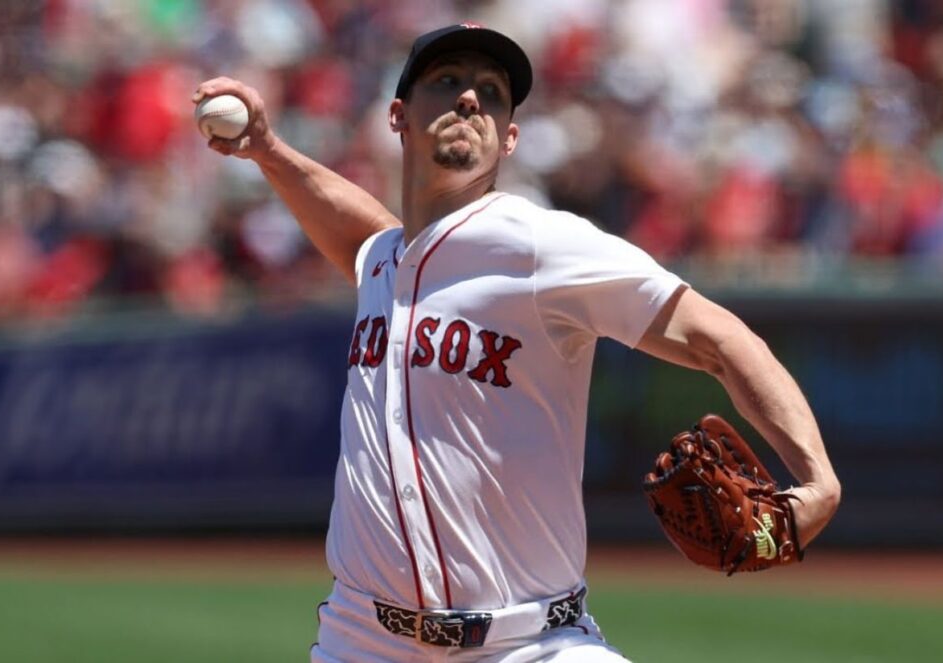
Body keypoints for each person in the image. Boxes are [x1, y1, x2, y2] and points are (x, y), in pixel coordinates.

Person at [193, 24, 841, 662]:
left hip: (530, 643)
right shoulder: (388, 263)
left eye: (492, 93)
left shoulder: (540, 247)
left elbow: (722, 338)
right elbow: (361, 239)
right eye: (446, 82)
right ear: (398, 116)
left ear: (509, 137)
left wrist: (818, 481)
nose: (469, 98)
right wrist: (268, 149)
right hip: (362, 641)